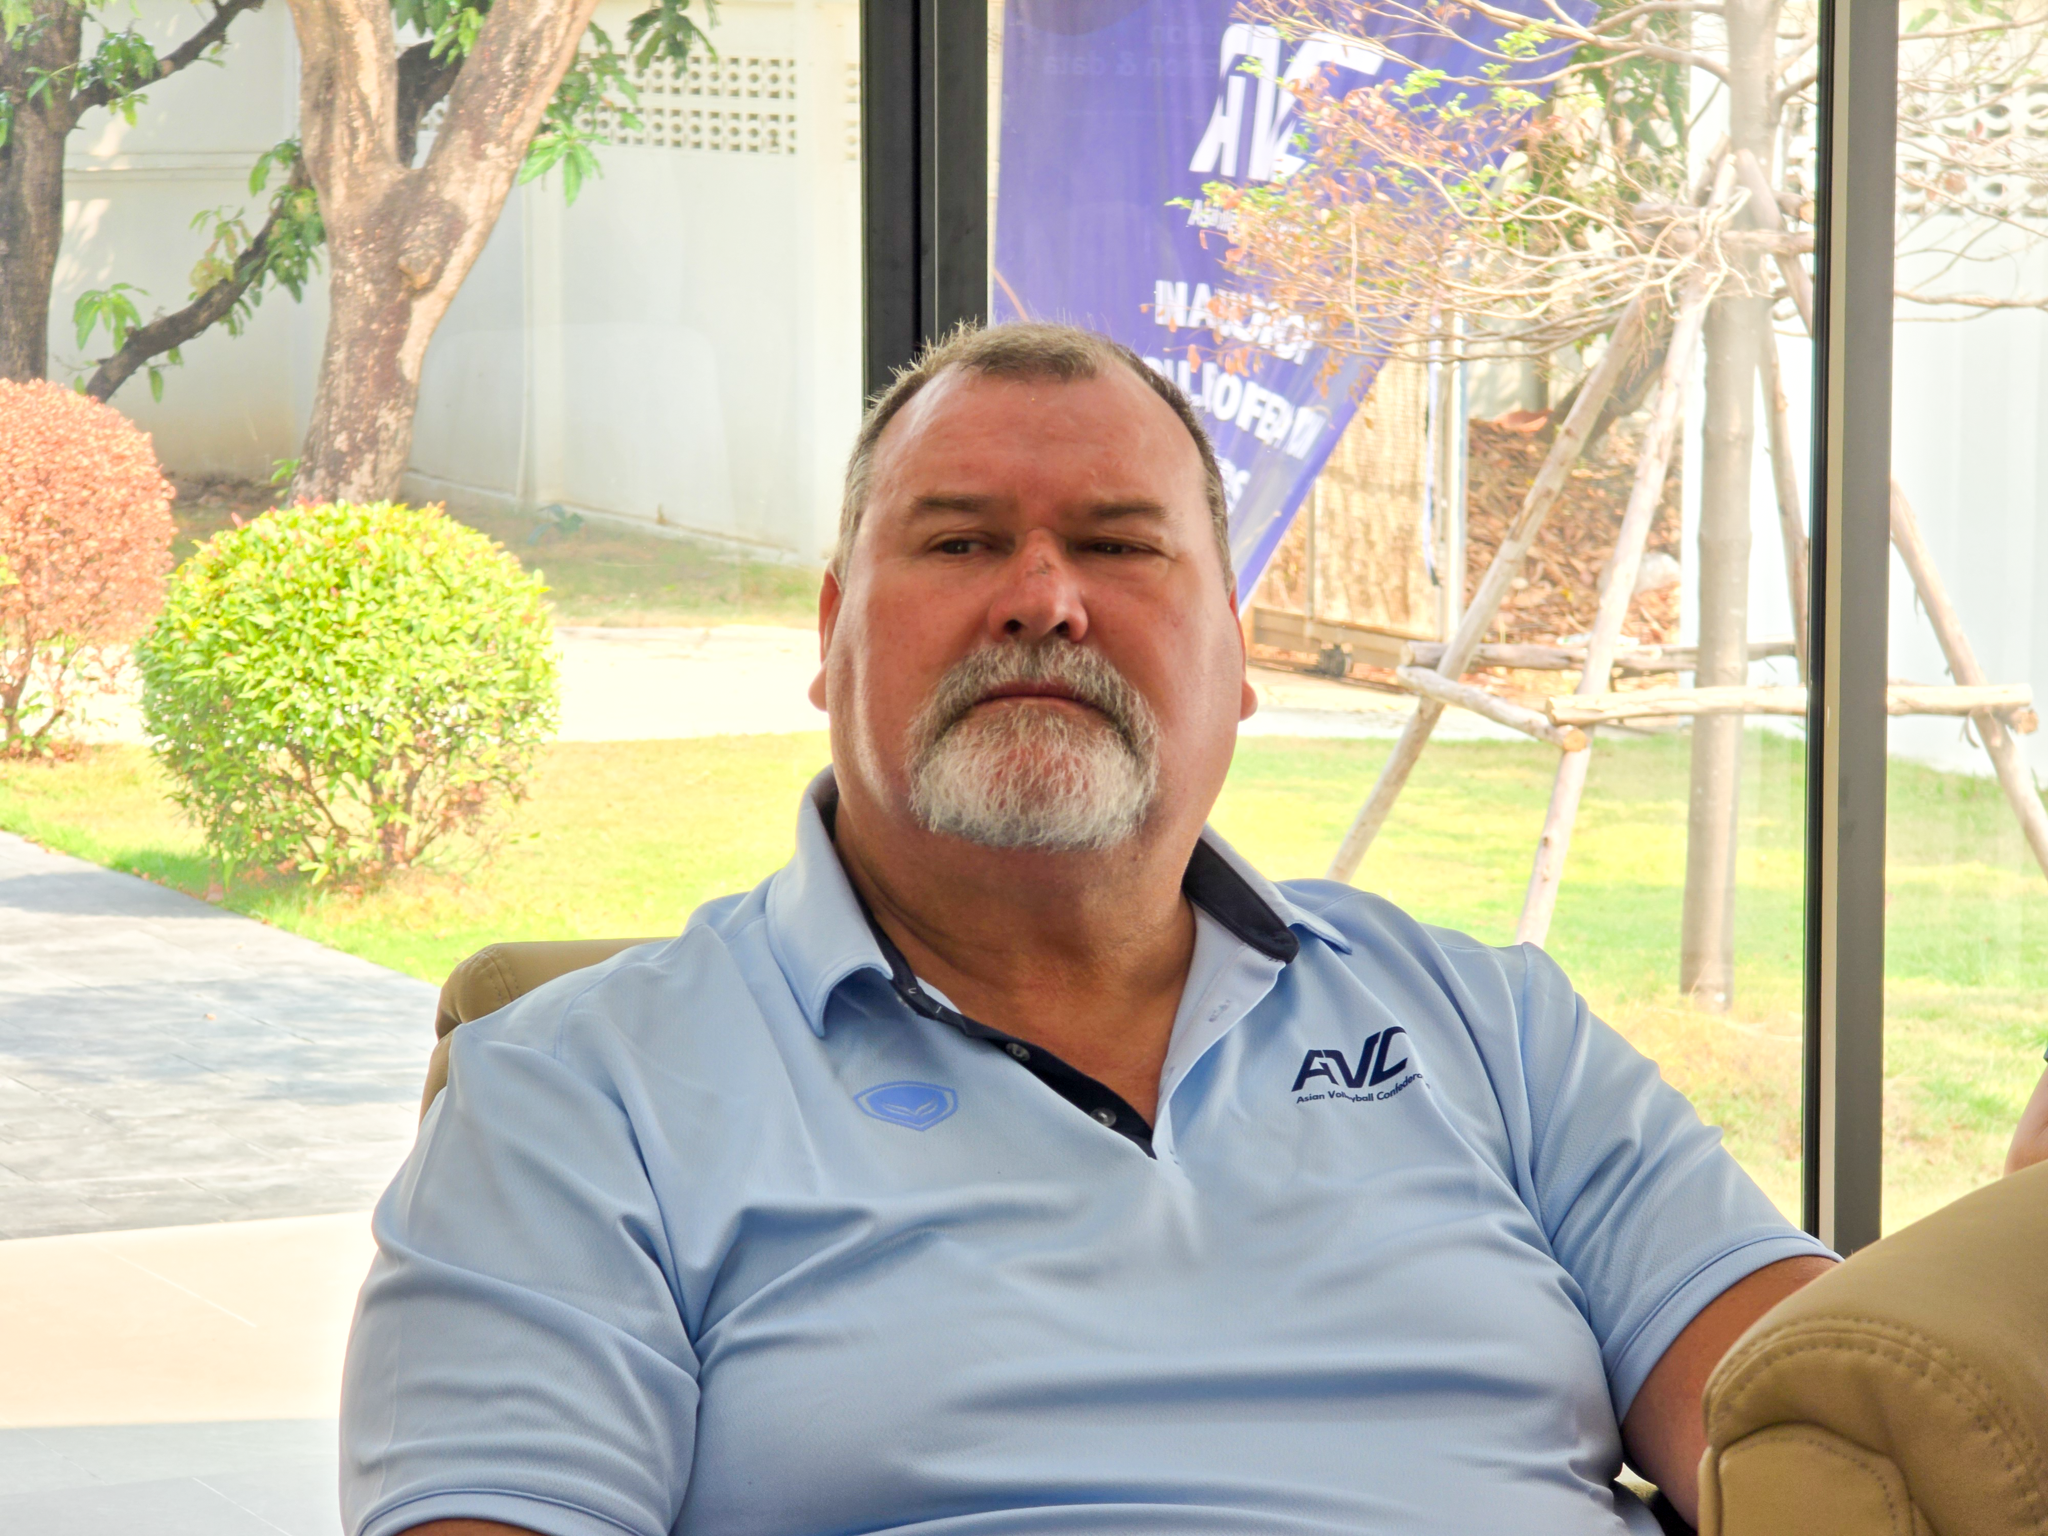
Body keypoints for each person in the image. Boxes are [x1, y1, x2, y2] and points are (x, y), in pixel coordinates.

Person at [340, 322, 1836, 1536]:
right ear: (830, 634)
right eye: (958, 543)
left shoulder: (1489, 1025)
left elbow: (1830, 1418)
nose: (1042, 601)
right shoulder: (572, 1094)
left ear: (1236, 651)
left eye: (1120, 547)